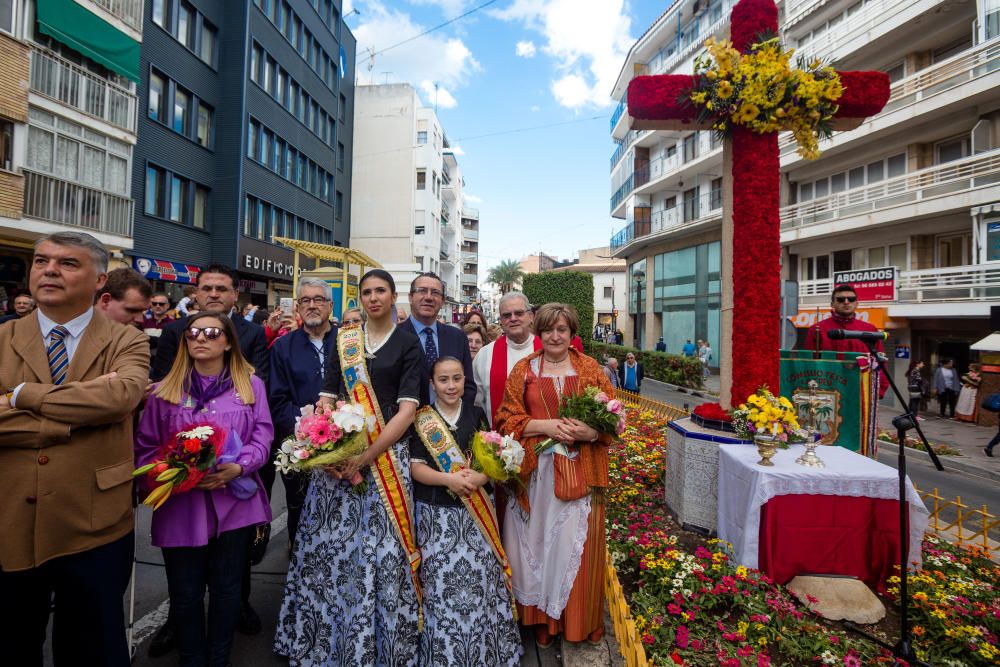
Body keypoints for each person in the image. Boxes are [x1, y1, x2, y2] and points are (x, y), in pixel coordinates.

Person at [0, 231, 149, 666]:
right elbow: (101, 404)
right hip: (11, 518)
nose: (49, 270)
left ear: (100, 279)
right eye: (41, 260)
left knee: (91, 646)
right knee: (11, 642)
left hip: (95, 524)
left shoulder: (127, 340)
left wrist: (19, 395)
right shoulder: (4, 338)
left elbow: (121, 397)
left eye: (67, 263)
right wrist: (74, 418)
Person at [275, 269, 423, 665]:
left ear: (393, 297)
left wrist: (366, 455)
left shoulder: (409, 344)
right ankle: (327, 638)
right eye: (367, 292)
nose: (374, 298)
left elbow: (407, 411)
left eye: (381, 291)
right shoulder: (346, 340)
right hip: (340, 462)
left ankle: (378, 647)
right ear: (359, 298)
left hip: (386, 461)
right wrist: (328, 444)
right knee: (331, 553)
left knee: (383, 557)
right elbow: (328, 396)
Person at [135, 313, 273, 667]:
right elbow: (146, 448)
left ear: (227, 341)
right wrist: (180, 473)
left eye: (211, 333)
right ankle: (192, 658)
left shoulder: (250, 385)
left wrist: (240, 465)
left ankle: (219, 657)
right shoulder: (165, 390)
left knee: (227, 590)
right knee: (185, 592)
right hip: (182, 505)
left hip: (235, 503)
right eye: (193, 333)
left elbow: (263, 434)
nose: (200, 338)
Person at [495, 303, 615, 648]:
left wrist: (591, 434)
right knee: (539, 547)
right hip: (537, 473)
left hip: (582, 471)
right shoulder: (524, 369)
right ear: (539, 332)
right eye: (548, 330)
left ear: (572, 332)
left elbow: (612, 418)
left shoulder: (589, 368)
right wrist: (548, 426)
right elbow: (506, 419)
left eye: (562, 329)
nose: (555, 336)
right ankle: (543, 622)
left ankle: (576, 622)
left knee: (573, 548)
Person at [409, 357, 521, 666]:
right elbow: (415, 468)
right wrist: (448, 479)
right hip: (436, 516)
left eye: (456, 378)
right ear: (432, 384)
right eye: (443, 380)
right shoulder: (422, 420)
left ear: (464, 381)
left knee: (480, 583)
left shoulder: (477, 414)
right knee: (440, 587)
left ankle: (484, 651)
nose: (450, 385)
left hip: (476, 517)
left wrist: (483, 477)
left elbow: (493, 456)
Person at [268, 278, 339, 548]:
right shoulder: (283, 348)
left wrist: (342, 433)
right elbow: (277, 399)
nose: (312, 306)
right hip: (300, 449)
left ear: (330, 305)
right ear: (297, 307)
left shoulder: (349, 342)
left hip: (347, 447)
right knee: (301, 513)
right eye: (305, 300)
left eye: (318, 299)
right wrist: (307, 435)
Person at [152, 264, 269, 385]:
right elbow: (162, 381)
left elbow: (259, 381)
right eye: (207, 289)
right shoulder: (173, 330)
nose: (213, 294)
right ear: (197, 293)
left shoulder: (255, 333)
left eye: (221, 289)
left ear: (236, 294)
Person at [401, 272, 476, 405]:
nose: (429, 297)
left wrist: (456, 419)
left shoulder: (458, 337)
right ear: (410, 297)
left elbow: (468, 385)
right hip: (407, 422)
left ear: (442, 301)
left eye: (435, 292)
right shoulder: (396, 335)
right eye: (422, 291)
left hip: (452, 422)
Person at [803, 283, 888, 397]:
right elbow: (808, 363)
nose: (846, 302)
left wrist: (879, 391)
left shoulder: (869, 329)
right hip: (827, 392)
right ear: (832, 303)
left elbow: (880, 362)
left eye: (851, 299)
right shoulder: (816, 330)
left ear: (856, 303)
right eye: (841, 299)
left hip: (861, 393)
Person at [473, 292, 542, 427]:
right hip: (497, 441)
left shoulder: (547, 351)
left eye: (519, 313)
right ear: (501, 321)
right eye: (506, 315)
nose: (513, 318)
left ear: (531, 316)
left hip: (540, 441)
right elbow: (477, 403)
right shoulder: (485, 354)